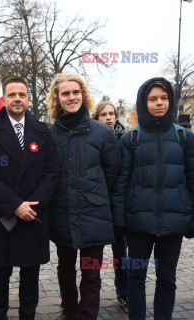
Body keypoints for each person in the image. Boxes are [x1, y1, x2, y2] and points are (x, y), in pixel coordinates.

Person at [111, 77, 194, 319]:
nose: (159, 103)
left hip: (173, 223)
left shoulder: (187, 139)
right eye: (153, 99)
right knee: (136, 277)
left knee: (167, 279)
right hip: (138, 223)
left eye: (163, 98)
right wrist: (119, 220)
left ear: (171, 101)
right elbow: (121, 183)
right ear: (144, 103)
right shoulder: (130, 139)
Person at [0, 76, 60, 320]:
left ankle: (27, 315)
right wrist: (15, 205)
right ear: (3, 100)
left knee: (30, 274)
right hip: (2, 215)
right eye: (12, 95)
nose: (17, 99)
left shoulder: (42, 131)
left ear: (29, 98)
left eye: (22, 94)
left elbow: (52, 171)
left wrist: (32, 205)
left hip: (33, 214)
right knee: (0, 273)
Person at [47, 73, 120, 320]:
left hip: (93, 212)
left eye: (75, 92)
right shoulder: (49, 135)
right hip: (62, 211)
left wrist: (93, 195)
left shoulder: (102, 133)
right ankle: (68, 311)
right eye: (65, 93)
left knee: (91, 273)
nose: (71, 97)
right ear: (57, 98)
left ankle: (87, 315)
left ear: (83, 95)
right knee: (65, 268)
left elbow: (112, 173)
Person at [93, 101, 128, 312]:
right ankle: (90, 297)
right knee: (93, 256)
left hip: (119, 205)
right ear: (96, 118)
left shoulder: (125, 139)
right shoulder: (93, 137)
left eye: (111, 113)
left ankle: (123, 292)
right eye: (104, 114)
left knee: (121, 253)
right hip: (96, 204)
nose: (109, 117)